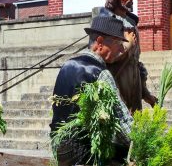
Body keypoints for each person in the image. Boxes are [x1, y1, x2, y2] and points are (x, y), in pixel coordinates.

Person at [49, 15, 133, 166]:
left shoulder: (67, 65)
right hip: (85, 153)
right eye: (118, 43)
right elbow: (121, 121)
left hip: (60, 148)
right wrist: (138, 142)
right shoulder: (100, 73)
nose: (121, 49)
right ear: (100, 42)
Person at [99, 0, 157, 113]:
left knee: (136, 129)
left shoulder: (131, 23)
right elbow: (103, 58)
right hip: (116, 86)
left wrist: (146, 94)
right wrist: (128, 45)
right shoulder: (106, 21)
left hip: (134, 87)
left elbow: (136, 63)